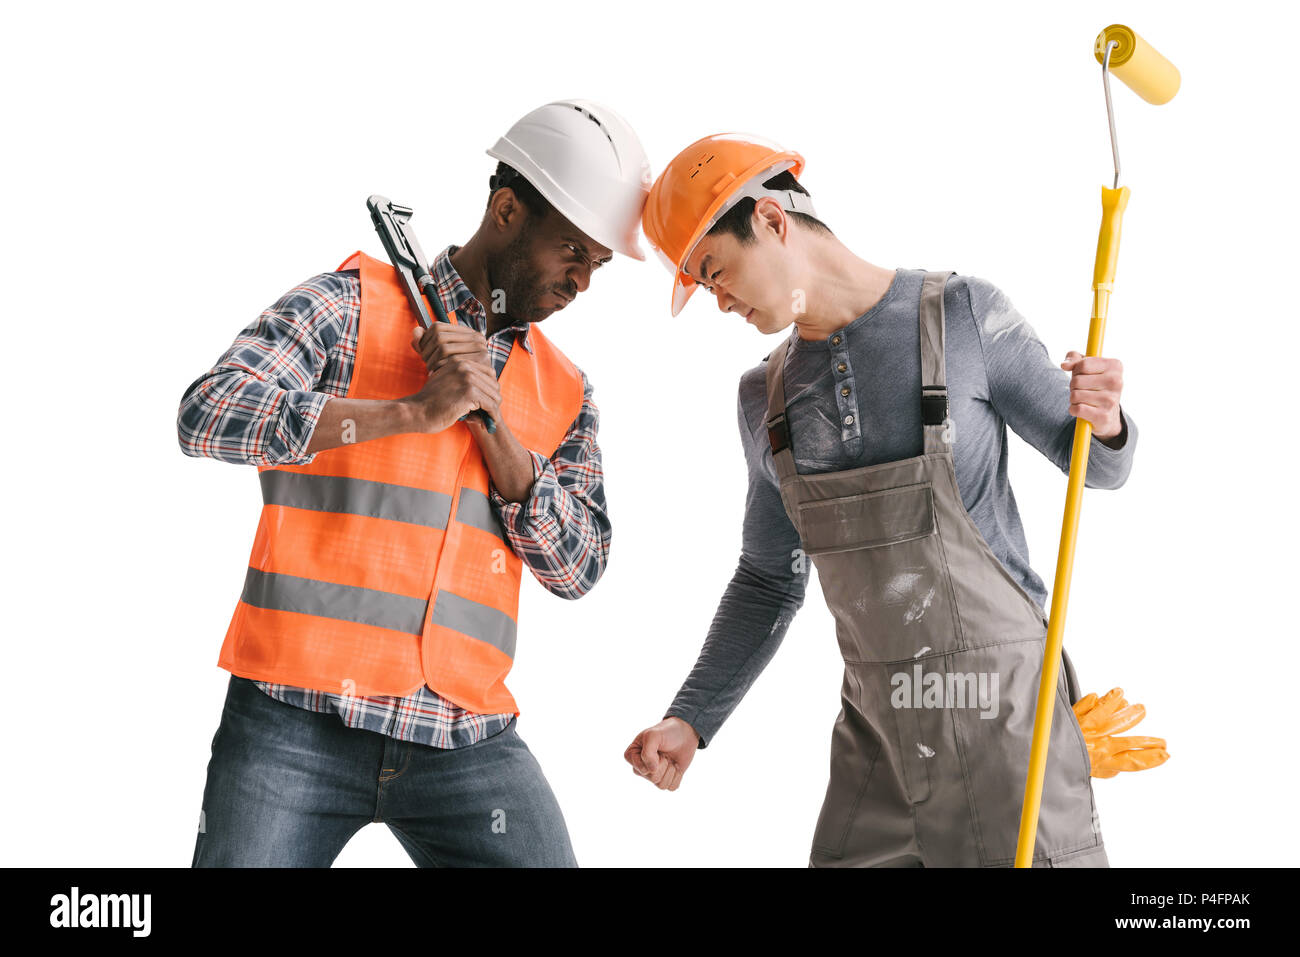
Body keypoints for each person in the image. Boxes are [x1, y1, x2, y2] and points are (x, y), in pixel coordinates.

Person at [625, 133, 1136, 867]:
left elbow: (1100, 468)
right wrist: (691, 717)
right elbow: (769, 579)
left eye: (715, 272)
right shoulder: (763, 400)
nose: (720, 301)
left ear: (770, 221)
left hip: (1003, 721)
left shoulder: (962, 317)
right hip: (879, 736)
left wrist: (1107, 418)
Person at [178, 99, 650, 867]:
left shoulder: (565, 390)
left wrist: (503, 446)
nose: (581, 281)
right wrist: (407, 411)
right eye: (571, 249)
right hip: (293, 720)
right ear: (505, 210)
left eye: (595, 263)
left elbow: (581, 566)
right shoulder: (349, 306)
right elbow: (208, 415)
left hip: (463, 738)